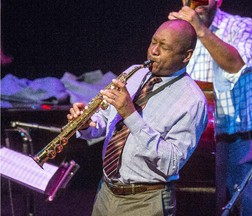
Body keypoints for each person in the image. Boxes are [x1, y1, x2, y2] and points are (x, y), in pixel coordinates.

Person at [67, 19, 208, 216]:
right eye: (153, 42)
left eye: (164, 47)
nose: (153, 51)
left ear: (186, 56)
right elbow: (105, 120)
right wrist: (86, 124)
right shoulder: (133, 73)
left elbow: (172, 163)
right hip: (106, 192)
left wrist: (130, 114)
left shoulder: (193, 101)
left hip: (145, 202)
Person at [168, 1, 252, 215]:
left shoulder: (243, 26)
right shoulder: (181, 31)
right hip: (190, 145)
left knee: (242, 211)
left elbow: (236, 66)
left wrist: (200, 29)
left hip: (234, 145)